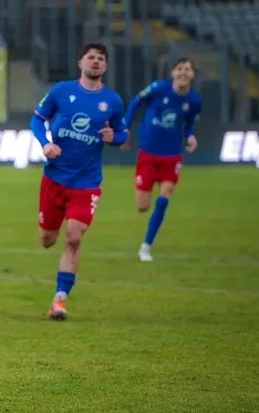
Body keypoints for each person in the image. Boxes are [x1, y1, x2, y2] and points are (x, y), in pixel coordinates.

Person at [30, 42, 128, 321]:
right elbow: (37, 119)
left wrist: (115, 138)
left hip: (87, 182)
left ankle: (59, 300)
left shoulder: (112, 101)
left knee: (74, 237)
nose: (95, 61)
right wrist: (45, 143)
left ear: (105, 66)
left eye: (100, 58)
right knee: (47, 239)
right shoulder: (62, 91)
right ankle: (49, 231)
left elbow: (122, 133)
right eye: (91, 57)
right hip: (54, 177)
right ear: (80, 62)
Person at [123, 58, 202, 262]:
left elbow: (190, 124)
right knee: (142, 206)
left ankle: (145, 247)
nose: (183, 72)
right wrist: (125, 128)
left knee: (164, 198)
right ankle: (145, 242)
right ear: (173, 72)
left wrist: (191, 136)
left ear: (192, 75)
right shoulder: (158, 88)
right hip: (148, 153)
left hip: (172, 155)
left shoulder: (194, 101)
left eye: (187, 69)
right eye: (179, 69)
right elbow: (134, 101)